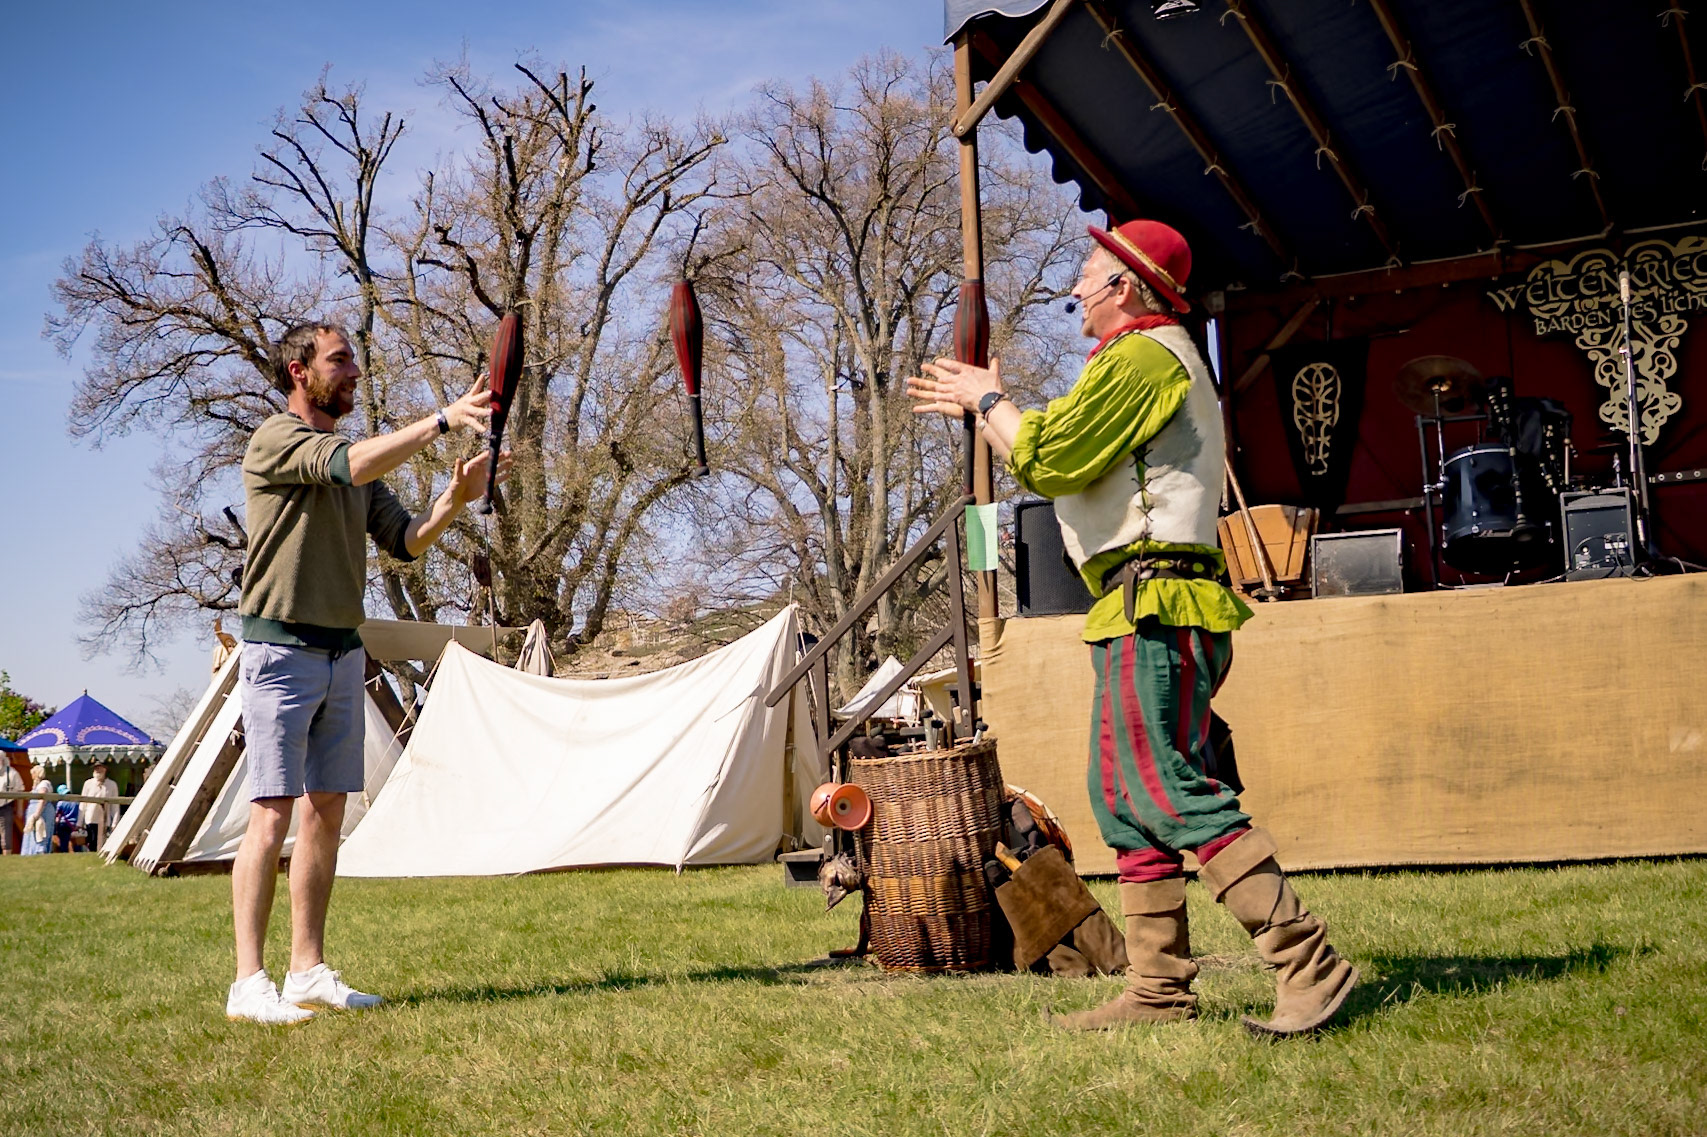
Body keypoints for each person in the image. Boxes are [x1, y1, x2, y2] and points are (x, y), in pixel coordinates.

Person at [906, 219, 1356, 1037]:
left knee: (1163, 787)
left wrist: (990, 400)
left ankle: (1308, 964)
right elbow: (1049, 453)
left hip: (1159, 600)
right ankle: (1157, 992)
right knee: (1125, 799)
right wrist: (987, 408)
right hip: (1137, 600)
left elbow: (1049, 460)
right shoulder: (1135, 359)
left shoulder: (1145, 356)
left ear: (1125, 287)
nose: (1072, 289)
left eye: (1084, 274)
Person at [225, 321, 511, 1025]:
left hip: (340, 651)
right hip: (280, 651)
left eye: (354, 358)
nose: (354, 370)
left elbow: (407, 542)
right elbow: (348, 465)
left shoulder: (356, 464)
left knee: (327, 813)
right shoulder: (277, 440)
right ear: (299, 371)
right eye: (340, 359)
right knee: (271, 815)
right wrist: (443, 419)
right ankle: (247, 982)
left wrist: (453, 501)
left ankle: (306, 970)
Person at [80, 763, 120, 853]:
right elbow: (83, 803)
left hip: (105, 819)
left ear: (105, 770)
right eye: (96, 769)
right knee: (91, 842)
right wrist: (79, 821)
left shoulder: (112, 785)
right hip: (90, 818)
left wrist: (115, 822)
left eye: (100, 769)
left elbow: (115, 806)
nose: (98, 771)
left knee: (103, 842)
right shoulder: (88, 783)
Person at [20, 767, 52, 856]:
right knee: (32, 833)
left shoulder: (44, 784)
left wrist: (37, 814)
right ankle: (30, 852)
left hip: (42, 811)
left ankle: (40, 851)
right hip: (34, 810)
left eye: (33, 774)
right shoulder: (36, 785)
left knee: (40, 831)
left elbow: (42, 799)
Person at [0, 760, 22, 854]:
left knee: (6, 835)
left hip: (6, 806)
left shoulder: (12, 773)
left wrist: (20, 809)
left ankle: (7, 857)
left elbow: (20, 790)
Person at [53, 786, 79, 853]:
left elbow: (58, 815)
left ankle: (64, 852)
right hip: (73, 824)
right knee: (72, 839)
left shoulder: (61, 803)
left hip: (63, 823)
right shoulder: (75, 802)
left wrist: (56, 826)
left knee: (63, 841)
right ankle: (75, 851)